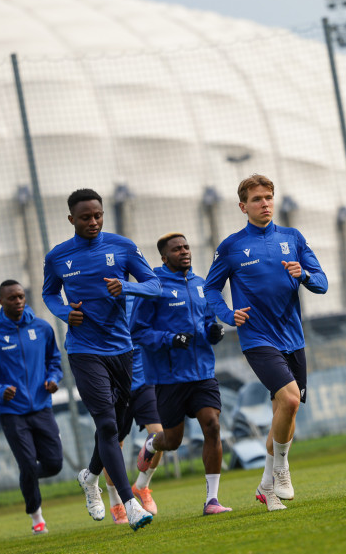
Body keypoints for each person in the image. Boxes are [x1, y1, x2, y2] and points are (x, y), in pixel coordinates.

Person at [203, 174, 328, 512]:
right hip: (257, 338)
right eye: (257, 199)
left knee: (285, 412)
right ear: (243, 206)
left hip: (293, 337)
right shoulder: (231, 247)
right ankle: (282, 470)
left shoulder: (292, 238)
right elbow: (210, 288)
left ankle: (266, 487)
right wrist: (227, 315)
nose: (265, 204)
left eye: (269, 197)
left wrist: (303, 275)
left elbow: (322, 282)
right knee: (290, 399)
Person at [42, 188, 161, 531]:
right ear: (71, 219)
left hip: (122, 349)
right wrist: (65, 313)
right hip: (83, 350)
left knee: (118, 426)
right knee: (108, 425)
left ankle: (90, 476)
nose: (93, 222)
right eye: (85, 217)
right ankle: (129, 505)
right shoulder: (58, 257)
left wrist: (127, 287)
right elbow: (49, 293)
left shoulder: (122, 246)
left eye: (98, 215)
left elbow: (154, 285)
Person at [134, 232, 232, 516]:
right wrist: (170, 339)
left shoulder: (201, 285)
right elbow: (138, 331)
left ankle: (212, 500)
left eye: (186, 247)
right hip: (169, 377)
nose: (184, 251)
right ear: (164, 257)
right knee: (172, 441)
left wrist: (213, 332)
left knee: (212, 426)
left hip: (202, 373)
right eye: (177, 249)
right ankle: (153, 443)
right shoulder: (153, 287)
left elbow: (206, 322)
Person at [0, 280, 63, 536]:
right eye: (12, 298)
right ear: (1, 302)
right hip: (11, 413)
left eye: (21, 296)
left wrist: (53, 379)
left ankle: (27, 476)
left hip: (42, 407)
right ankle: (37, 518)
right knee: (28, 464)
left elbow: (54, 361)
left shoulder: (42, 328)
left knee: (54, 464)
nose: (18, 301)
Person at [104, 312, 163, 525]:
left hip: (143, 384)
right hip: (114, 388)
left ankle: (141, 486)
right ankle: (116, 503)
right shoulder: (100, 303)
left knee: (160, 435)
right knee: (113, 444)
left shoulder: (140, 301)